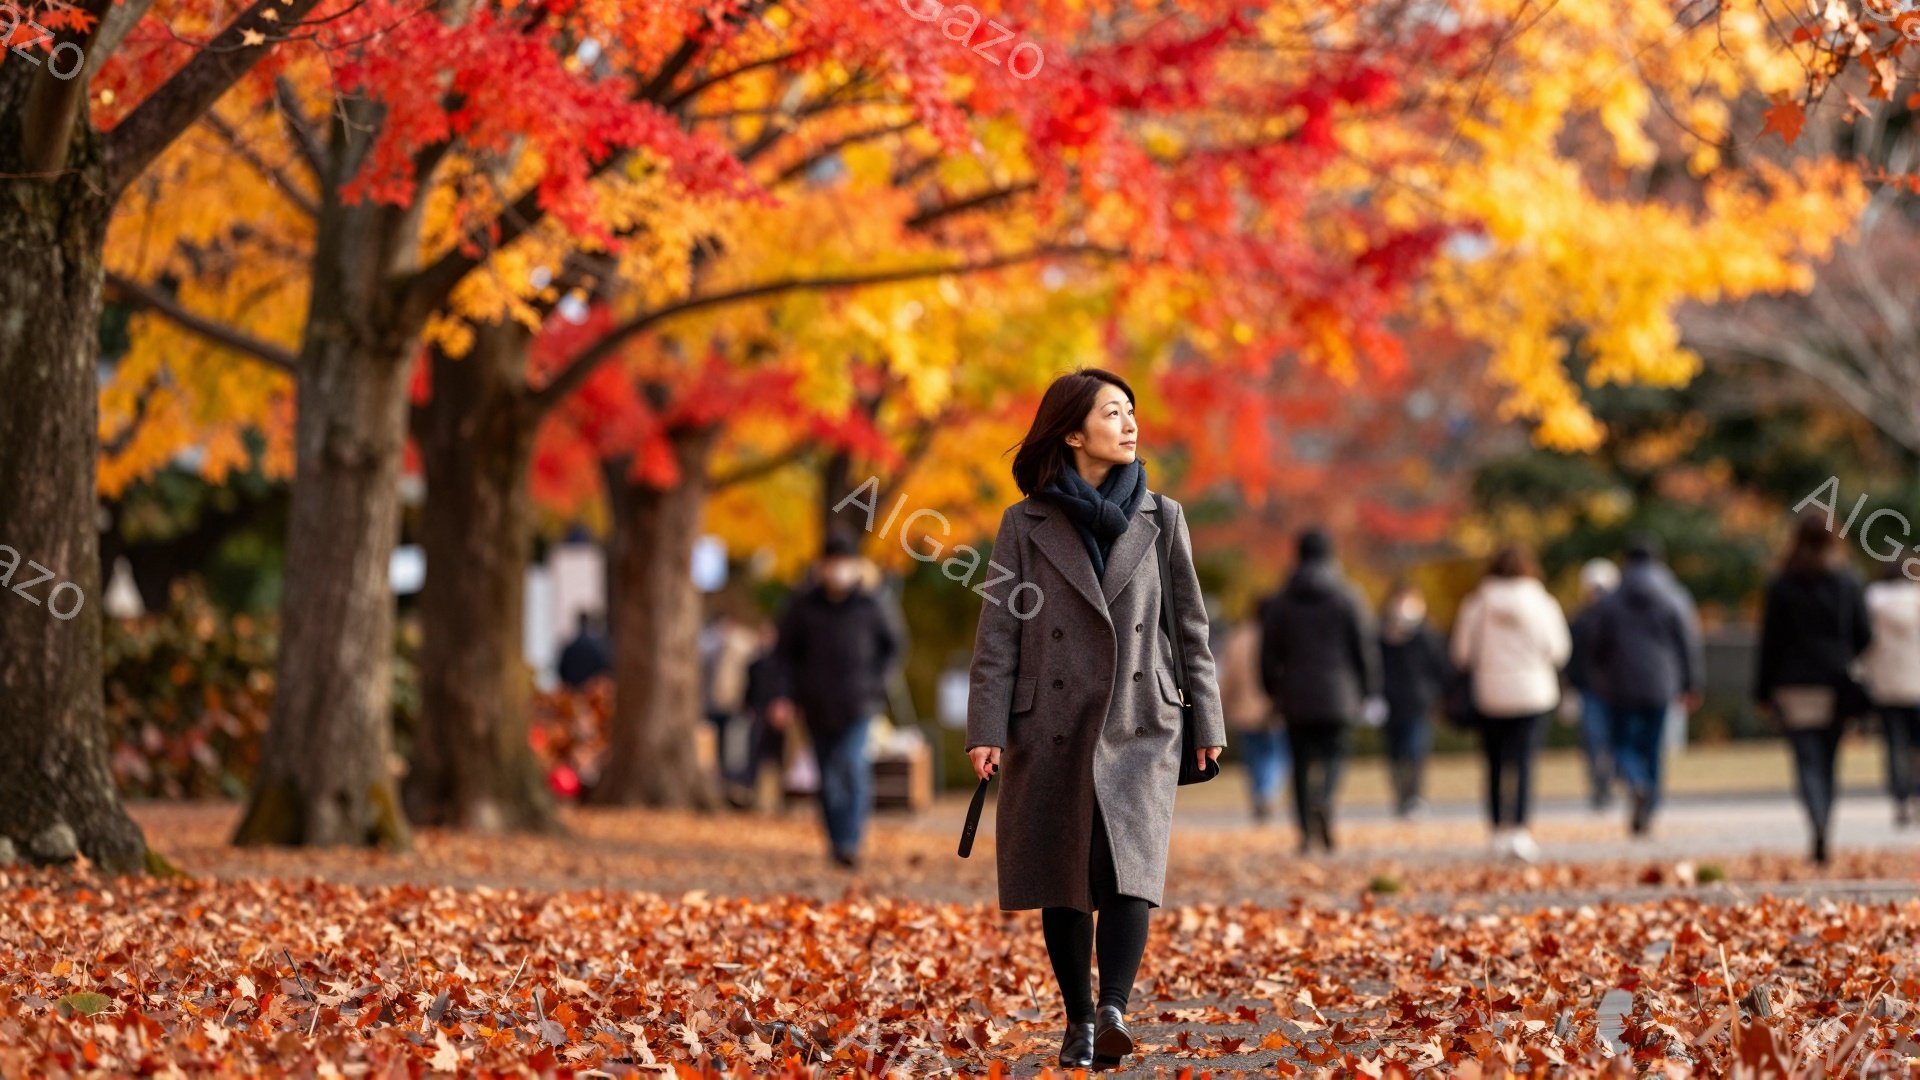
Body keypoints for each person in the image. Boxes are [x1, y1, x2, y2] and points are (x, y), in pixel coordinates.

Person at [964, 368, 1226, 1072]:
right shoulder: (1024, 523)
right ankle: (1079, 1021)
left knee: (1129, 871)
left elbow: (1189, 629)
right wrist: (985, 727)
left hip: (1141, 716)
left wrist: (1208, 721)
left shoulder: (1163, 517)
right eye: (1114, 412)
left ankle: (1113, 1008)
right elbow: (998, 636)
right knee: (1063, 868)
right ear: (1074, 432)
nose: (1131, 422)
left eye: (1132, 410)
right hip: (1050, 720)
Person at [767, 530, 901, 868]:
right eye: (832, 563)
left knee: (851, 766)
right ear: (822, 566)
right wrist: (782, 696)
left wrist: (877, 684)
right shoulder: (802, 606)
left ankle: (851, 840)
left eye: (844, 563)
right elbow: (782, 655)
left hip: (859, 704)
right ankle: (836, 838)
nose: (838, 570)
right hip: (815, 704)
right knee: (826, 776)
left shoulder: (872, 605)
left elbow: (893, 648)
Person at [1754, 510, 1872, 864]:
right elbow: (1864, 634)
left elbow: (1769, 642)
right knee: (1830, 760)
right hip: (1834, 683)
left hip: (1792, 685)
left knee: (1806, 759)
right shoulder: (1846, 581)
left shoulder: (1781, 583)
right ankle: (1825, 819)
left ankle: (1815, 816)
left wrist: (1763, 690)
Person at [1258, 528, 1381, 854]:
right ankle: (1323, 799)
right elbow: (1364, 645)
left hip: (1295, 693)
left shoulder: (1282, 599)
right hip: (1339, 693)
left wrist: (1272, 689)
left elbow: (1269, 651)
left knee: (1298, 762)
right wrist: (1369, 688)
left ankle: (1304, 834)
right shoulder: (1347, 595)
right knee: (1335, 755)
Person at [1451, 545, 1570, 863]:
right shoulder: (1542, 602)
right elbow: (1558, 649)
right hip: (1532, 692)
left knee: (1493, 763)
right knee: (1524, 762)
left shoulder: (1476, 604)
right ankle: (1519, 829)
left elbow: (1462, 653)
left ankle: (1496, 829)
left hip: (1489, 691)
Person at [1588, 537, 1703, 837]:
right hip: (1661, 682)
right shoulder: (1674, 596)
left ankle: (1634, 781)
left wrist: (1601, 672)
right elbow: (1688, 642)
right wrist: (1691, 683)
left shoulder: (1611, 599)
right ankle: (1649, 805)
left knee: (1622, 744)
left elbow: (1597, 643)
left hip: (1620, 683)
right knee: (1653, 747)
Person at [1379, 582, 1449, 818]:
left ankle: (1413, 796)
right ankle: (1402, 795)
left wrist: (1439, 696)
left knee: (1415, 751)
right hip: (1390, 703)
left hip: (1418, 702)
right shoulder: (1382, 634)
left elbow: (1440, 667)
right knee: (1395, 754)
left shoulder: (1427, 634)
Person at [1863, 562, 1920, 827]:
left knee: (1894, 745)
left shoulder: (1872, 603)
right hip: (1917, 683)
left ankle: (1900, 799)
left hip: (1885, 684)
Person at [1219, 608, 1286, 822]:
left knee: (1254, 756)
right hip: (1274, 708)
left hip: (1244, 709)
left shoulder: (1238, 638)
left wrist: (1222, 706)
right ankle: (1267, 792)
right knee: (1276, 754)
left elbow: (1228, 676)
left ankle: (1260, 792)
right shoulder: (1279, 636)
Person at [1565, 558, 1621, 811]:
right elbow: (1571, 658)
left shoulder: (1616, 619)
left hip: (1612, 691)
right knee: (1595, 743)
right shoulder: (1580, 621)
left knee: (1607, 742)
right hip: (1592, 691)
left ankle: (1608, 785)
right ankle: (1601, 788)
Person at [556, 611, 611, 689]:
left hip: (574, 688)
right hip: (589, 689)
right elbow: (602, 667)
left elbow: (561, 669)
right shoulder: (595, 646)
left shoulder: (571, 646)